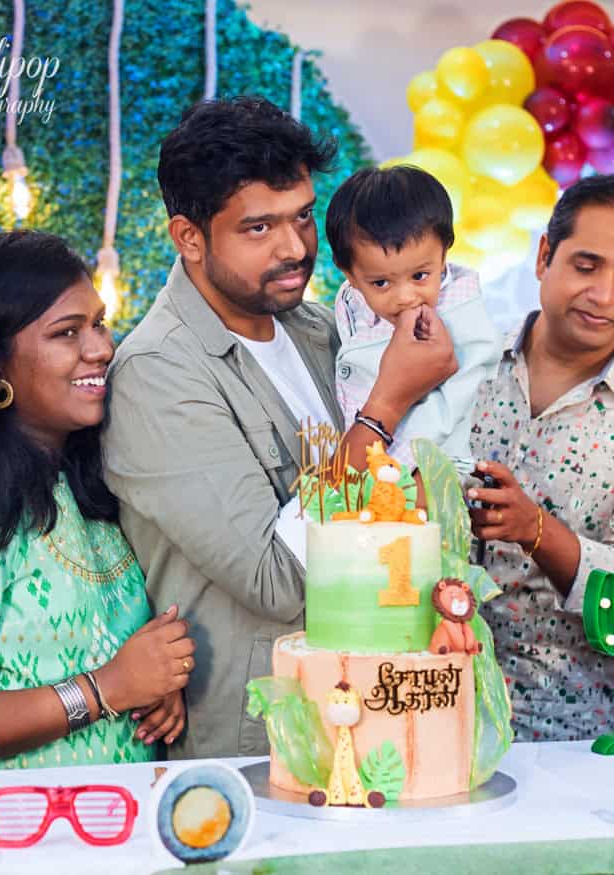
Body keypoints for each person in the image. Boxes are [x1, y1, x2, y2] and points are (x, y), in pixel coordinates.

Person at [102, 96, 458, 758]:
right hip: (261, 739)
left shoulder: (322, 328)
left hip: (379, 707)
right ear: (189, 237)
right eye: (258, 229)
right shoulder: (158, 375)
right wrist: (381, 409)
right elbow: (273, 580)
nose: (294, 248)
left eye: (300, 218)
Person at [0, 230, 196, 782]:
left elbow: (126, 665)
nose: (100, 348)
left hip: (118, 838)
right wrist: (107, 688)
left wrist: (155, 690)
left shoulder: (94, 482)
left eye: (98, 323)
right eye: (66, 333)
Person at [464, 171, 614, 742]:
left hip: (566, 739)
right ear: (545, 256)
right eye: (586, 265)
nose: (604, 295)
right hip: (419, 716)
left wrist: (537, 531)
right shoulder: (456, 366)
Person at [326, 165, 502, 470]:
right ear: (350, 275)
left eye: (420, 275)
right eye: (381, 283)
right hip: (365, 456)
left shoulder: (467, 326)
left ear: (444, 254)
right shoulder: (350, 299)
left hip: (431, 467)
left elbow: (450, 410)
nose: (406, 296)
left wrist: (397, 470)